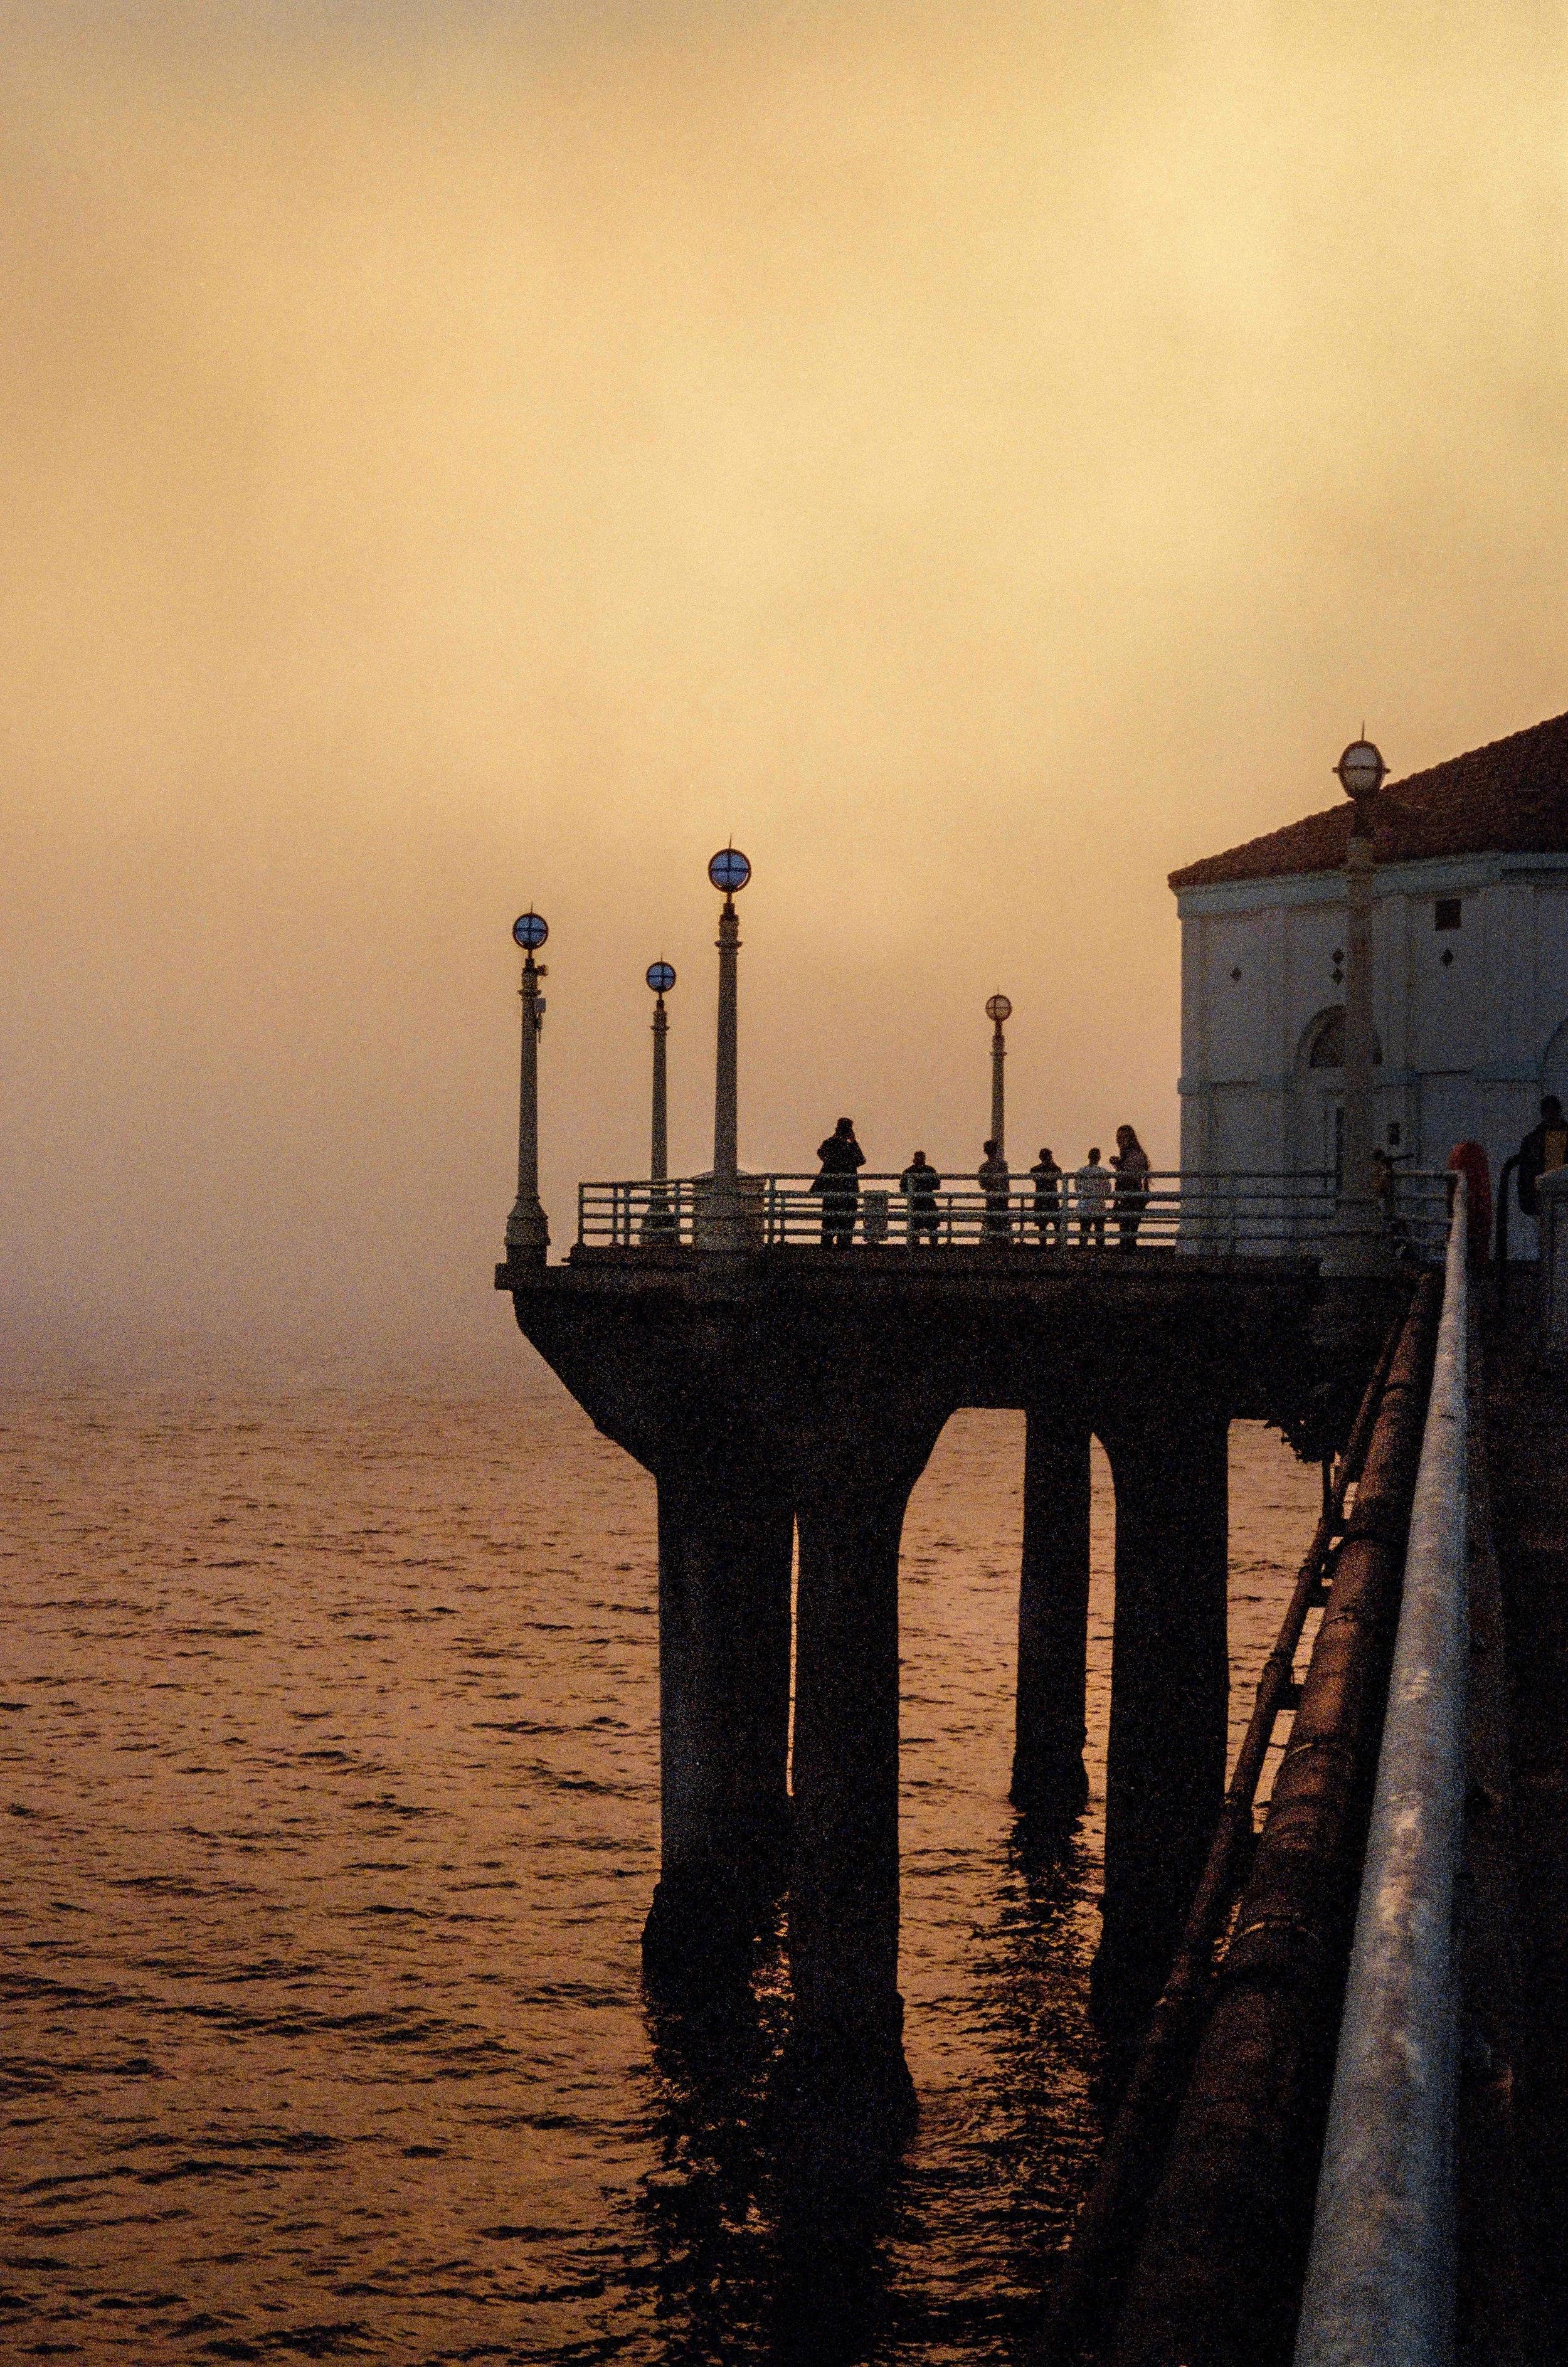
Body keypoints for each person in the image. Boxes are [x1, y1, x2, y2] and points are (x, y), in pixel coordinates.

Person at [812, 1116, 864, 1247]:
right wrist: (854, 1142)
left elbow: (821, 1154)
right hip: (847, 1187)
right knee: (844, 1221)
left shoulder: (829, 1144)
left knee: (830, 1220)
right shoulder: (846, 1146)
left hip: (833, 1187)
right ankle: (842, 1246)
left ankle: (828, 1246)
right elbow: (861, 1160)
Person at [1518, 1094, 1568, 1219]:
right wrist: (1528, 1202)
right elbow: (1525, 1175)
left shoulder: (1533, 1140)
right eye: (1548, 1111)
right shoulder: (1532, 1141)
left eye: (1553, 1111)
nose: (1551, 1116)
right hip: (1543, 1199)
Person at [1110, 1125, 1151, 1251]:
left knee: (1129, 1221)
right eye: (1118, 1137)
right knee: (1128, 1222)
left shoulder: (1133, 1153)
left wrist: (1118, 1164)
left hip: (1132, 1191)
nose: (1119, 1140)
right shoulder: (1131, 1153)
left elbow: (1130, 1174)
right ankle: (1127, 1244)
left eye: (1122, 1137)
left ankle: (1128, 1246)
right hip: (1129, 1191)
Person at [900, 1150, 942, 1246]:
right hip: (920, 1202)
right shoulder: (929, 1170)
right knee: (917, 1225)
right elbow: (937, 1185)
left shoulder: (910, 1171)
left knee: (931, 1225)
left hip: (923, 1202)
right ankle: (920, 1246)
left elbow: (937, 1185)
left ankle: (931, 1246)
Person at [1030, 1147, 1064, 1249]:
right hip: (1052, 1198)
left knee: (1042, 1223)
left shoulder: (1036, 1169)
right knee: (1056, 1222)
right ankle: (1057, 1242)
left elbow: (1033, 1173)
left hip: (1041, 1198)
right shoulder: (1055, 1168)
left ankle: (1043, 1244)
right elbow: (1059, 1172)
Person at [1076, 1146, 1110, 1249]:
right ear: (1099, 1158)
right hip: (1099, 1205)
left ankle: (1082, 1247)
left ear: (1089, 1157)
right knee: (1099, 1228)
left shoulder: (1081, 1171)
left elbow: (1077, 1188)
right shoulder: (1103, 1171)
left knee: (1084, 1228)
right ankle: (1100, 1248)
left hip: (1084, 1205)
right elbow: (1107, 1190)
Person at [978, 1140, 1011, 1244]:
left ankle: (994, 1240)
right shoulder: (1002, 1165)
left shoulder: (985, 1167)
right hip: (999, 1197)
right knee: (1000, 1219)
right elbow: (1006, 1182)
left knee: (994, 1219)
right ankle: (1002, 1240)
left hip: (994, 1197)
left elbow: (983, 1184)